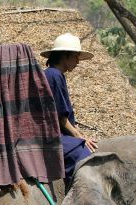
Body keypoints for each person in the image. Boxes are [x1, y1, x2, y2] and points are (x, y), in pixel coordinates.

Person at [40, 33, 98, 183]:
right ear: (65, 56)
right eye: (76, 56)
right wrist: (79, 138)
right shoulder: (53, 75)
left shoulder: (55, 75)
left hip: (58, 135)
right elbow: (60, 116)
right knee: (82, 155)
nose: (78, 61)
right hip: (51, 137)